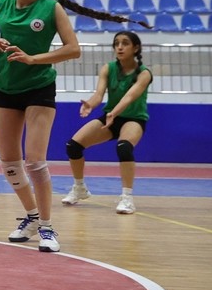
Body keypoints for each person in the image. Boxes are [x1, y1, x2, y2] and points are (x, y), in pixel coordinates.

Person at [0, 0, 143, 252]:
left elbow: (73, 49)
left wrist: (35, 59)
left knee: (34, 160)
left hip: (39, 88)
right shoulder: (2, 3)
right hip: (6, 87)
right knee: (8, 163)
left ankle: (47, 227)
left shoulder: (50, 8)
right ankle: (31, 216)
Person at [62, 30, 152, 215]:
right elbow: (98, 95)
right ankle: (79, 188)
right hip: (111, 116)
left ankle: (127, 198)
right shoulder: (108, 68)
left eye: (125, 43)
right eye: (116, 43)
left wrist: (114, 113)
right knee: (73, 146)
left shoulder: (144, 74)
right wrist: (90, 104)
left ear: (136, 48)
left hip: (133, 119)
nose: (119, 46)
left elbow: (129, 97)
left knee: (124, 148)